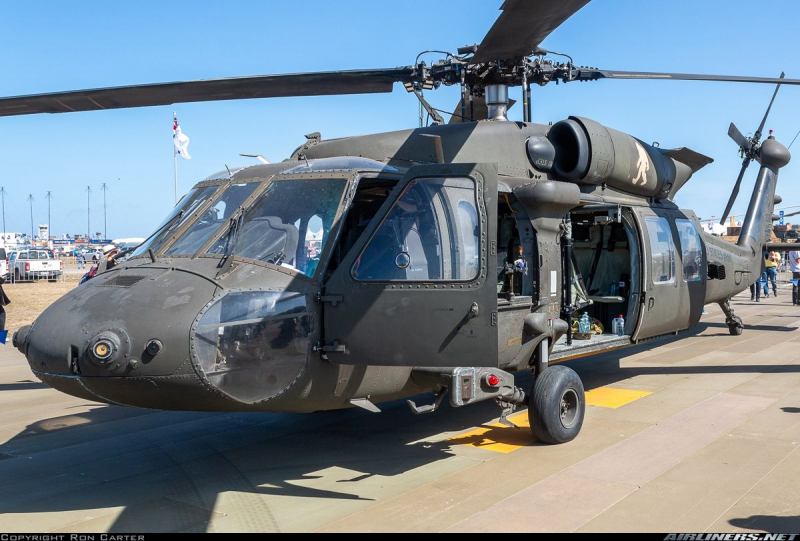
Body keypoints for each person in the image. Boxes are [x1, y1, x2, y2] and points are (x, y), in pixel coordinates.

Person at [790, 241, 800, 305]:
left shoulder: (792, 248)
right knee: (797, 286)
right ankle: (797, 300)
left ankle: (795, 301)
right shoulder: (797, 249)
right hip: (798, 269)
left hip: (795, 269)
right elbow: (798, 260)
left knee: (796, 286)